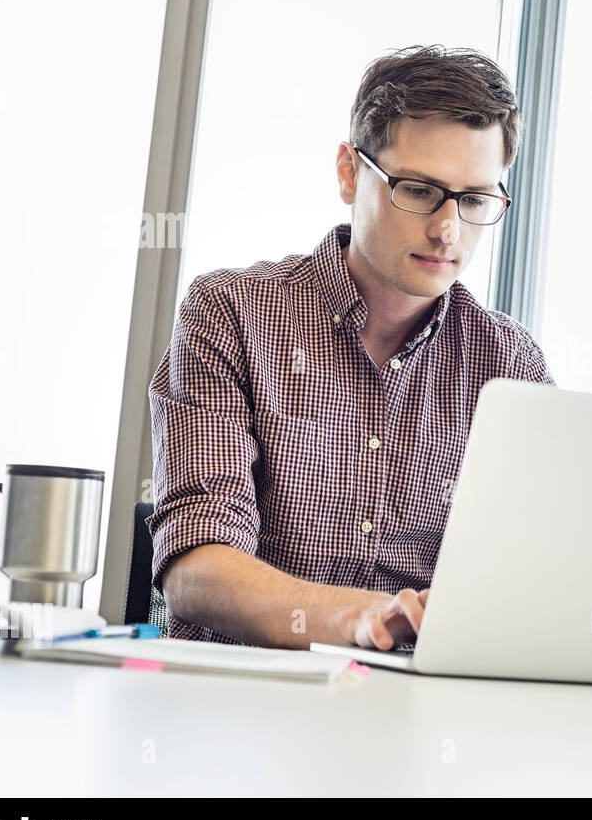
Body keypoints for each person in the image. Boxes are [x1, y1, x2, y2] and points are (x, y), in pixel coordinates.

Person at [147, 45, 555, 650]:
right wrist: (361, 620)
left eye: (473, 200)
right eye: (419, 191)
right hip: (239, 710)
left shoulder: (510, 365)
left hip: (421, 720)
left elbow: (538, 576)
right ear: (348, 172)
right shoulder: (230, 312)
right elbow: (197, 569)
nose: (448, 229)